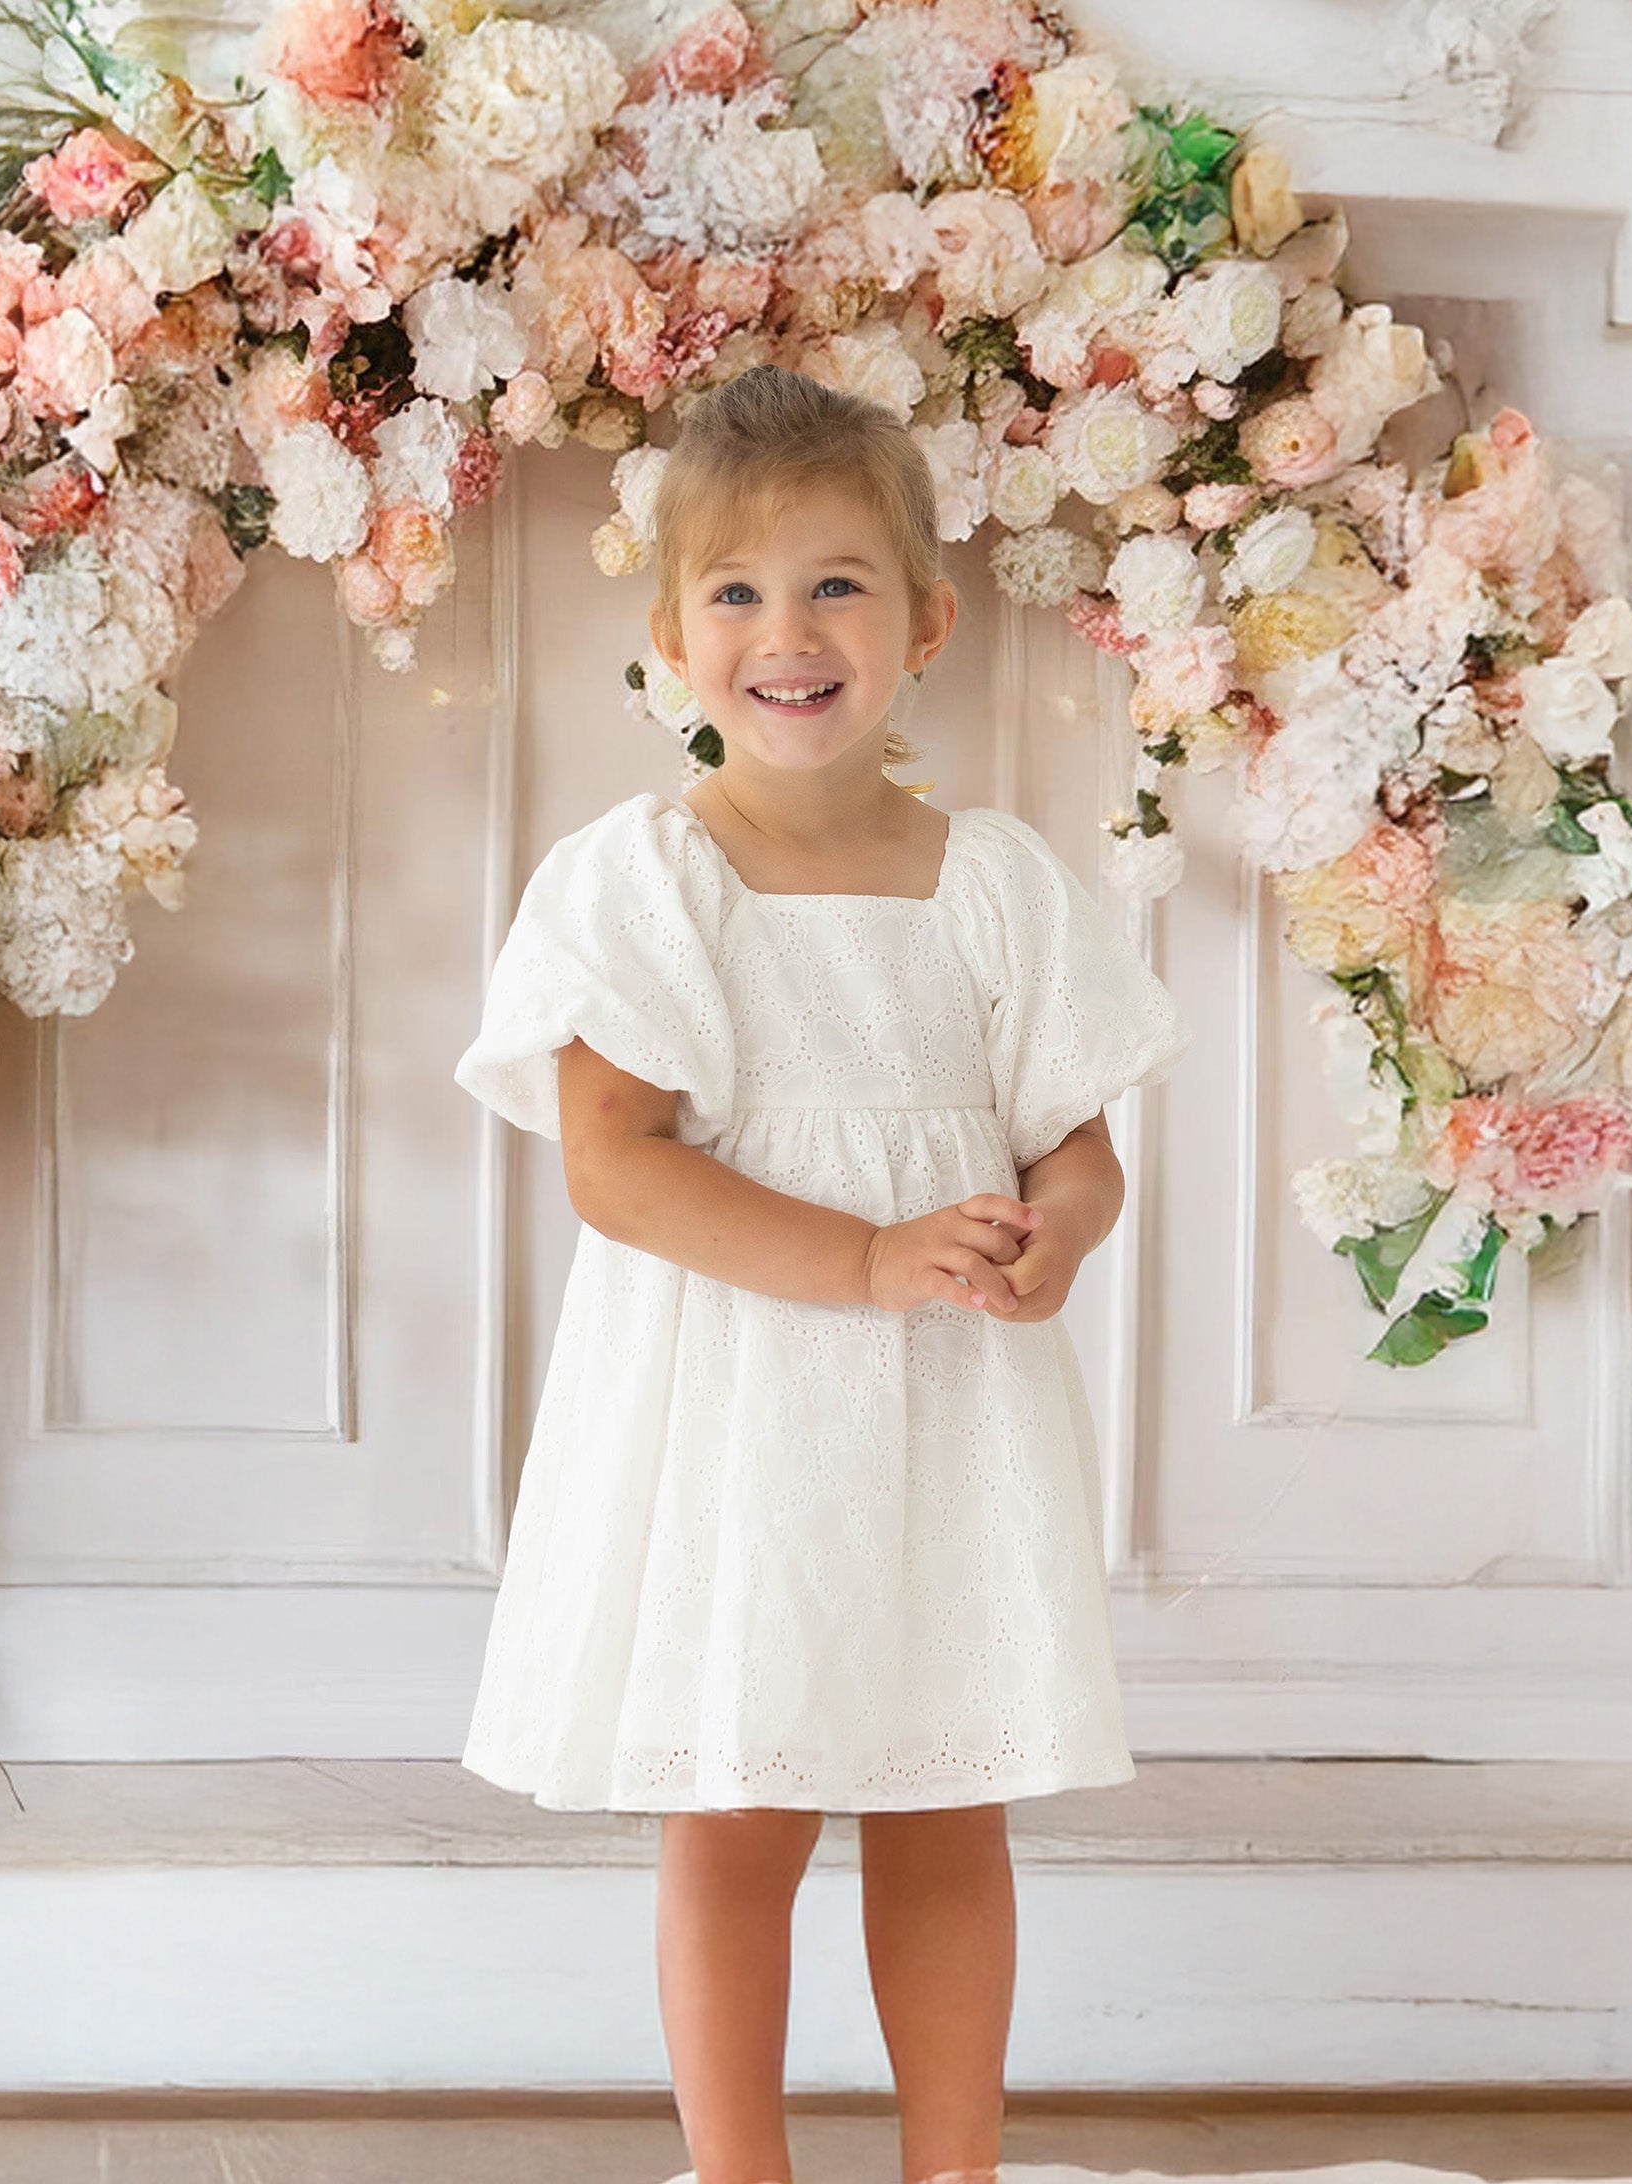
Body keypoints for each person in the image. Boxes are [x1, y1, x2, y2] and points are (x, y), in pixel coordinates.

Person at [451, 364, 1189, 2184]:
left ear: (927, 620)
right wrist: (860, 1255)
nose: (789, 633)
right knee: (744, 1800)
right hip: (747, 1417)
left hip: (948, 1402)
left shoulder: (996, 884)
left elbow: (1076, 1146)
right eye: (738, 594)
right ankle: (741, 2173)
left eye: (839, 585)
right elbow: (620, 1171)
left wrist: (1060, 1241)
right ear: (672, 637)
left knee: (950, 1803)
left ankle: (958, 2167)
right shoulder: (646, 883)